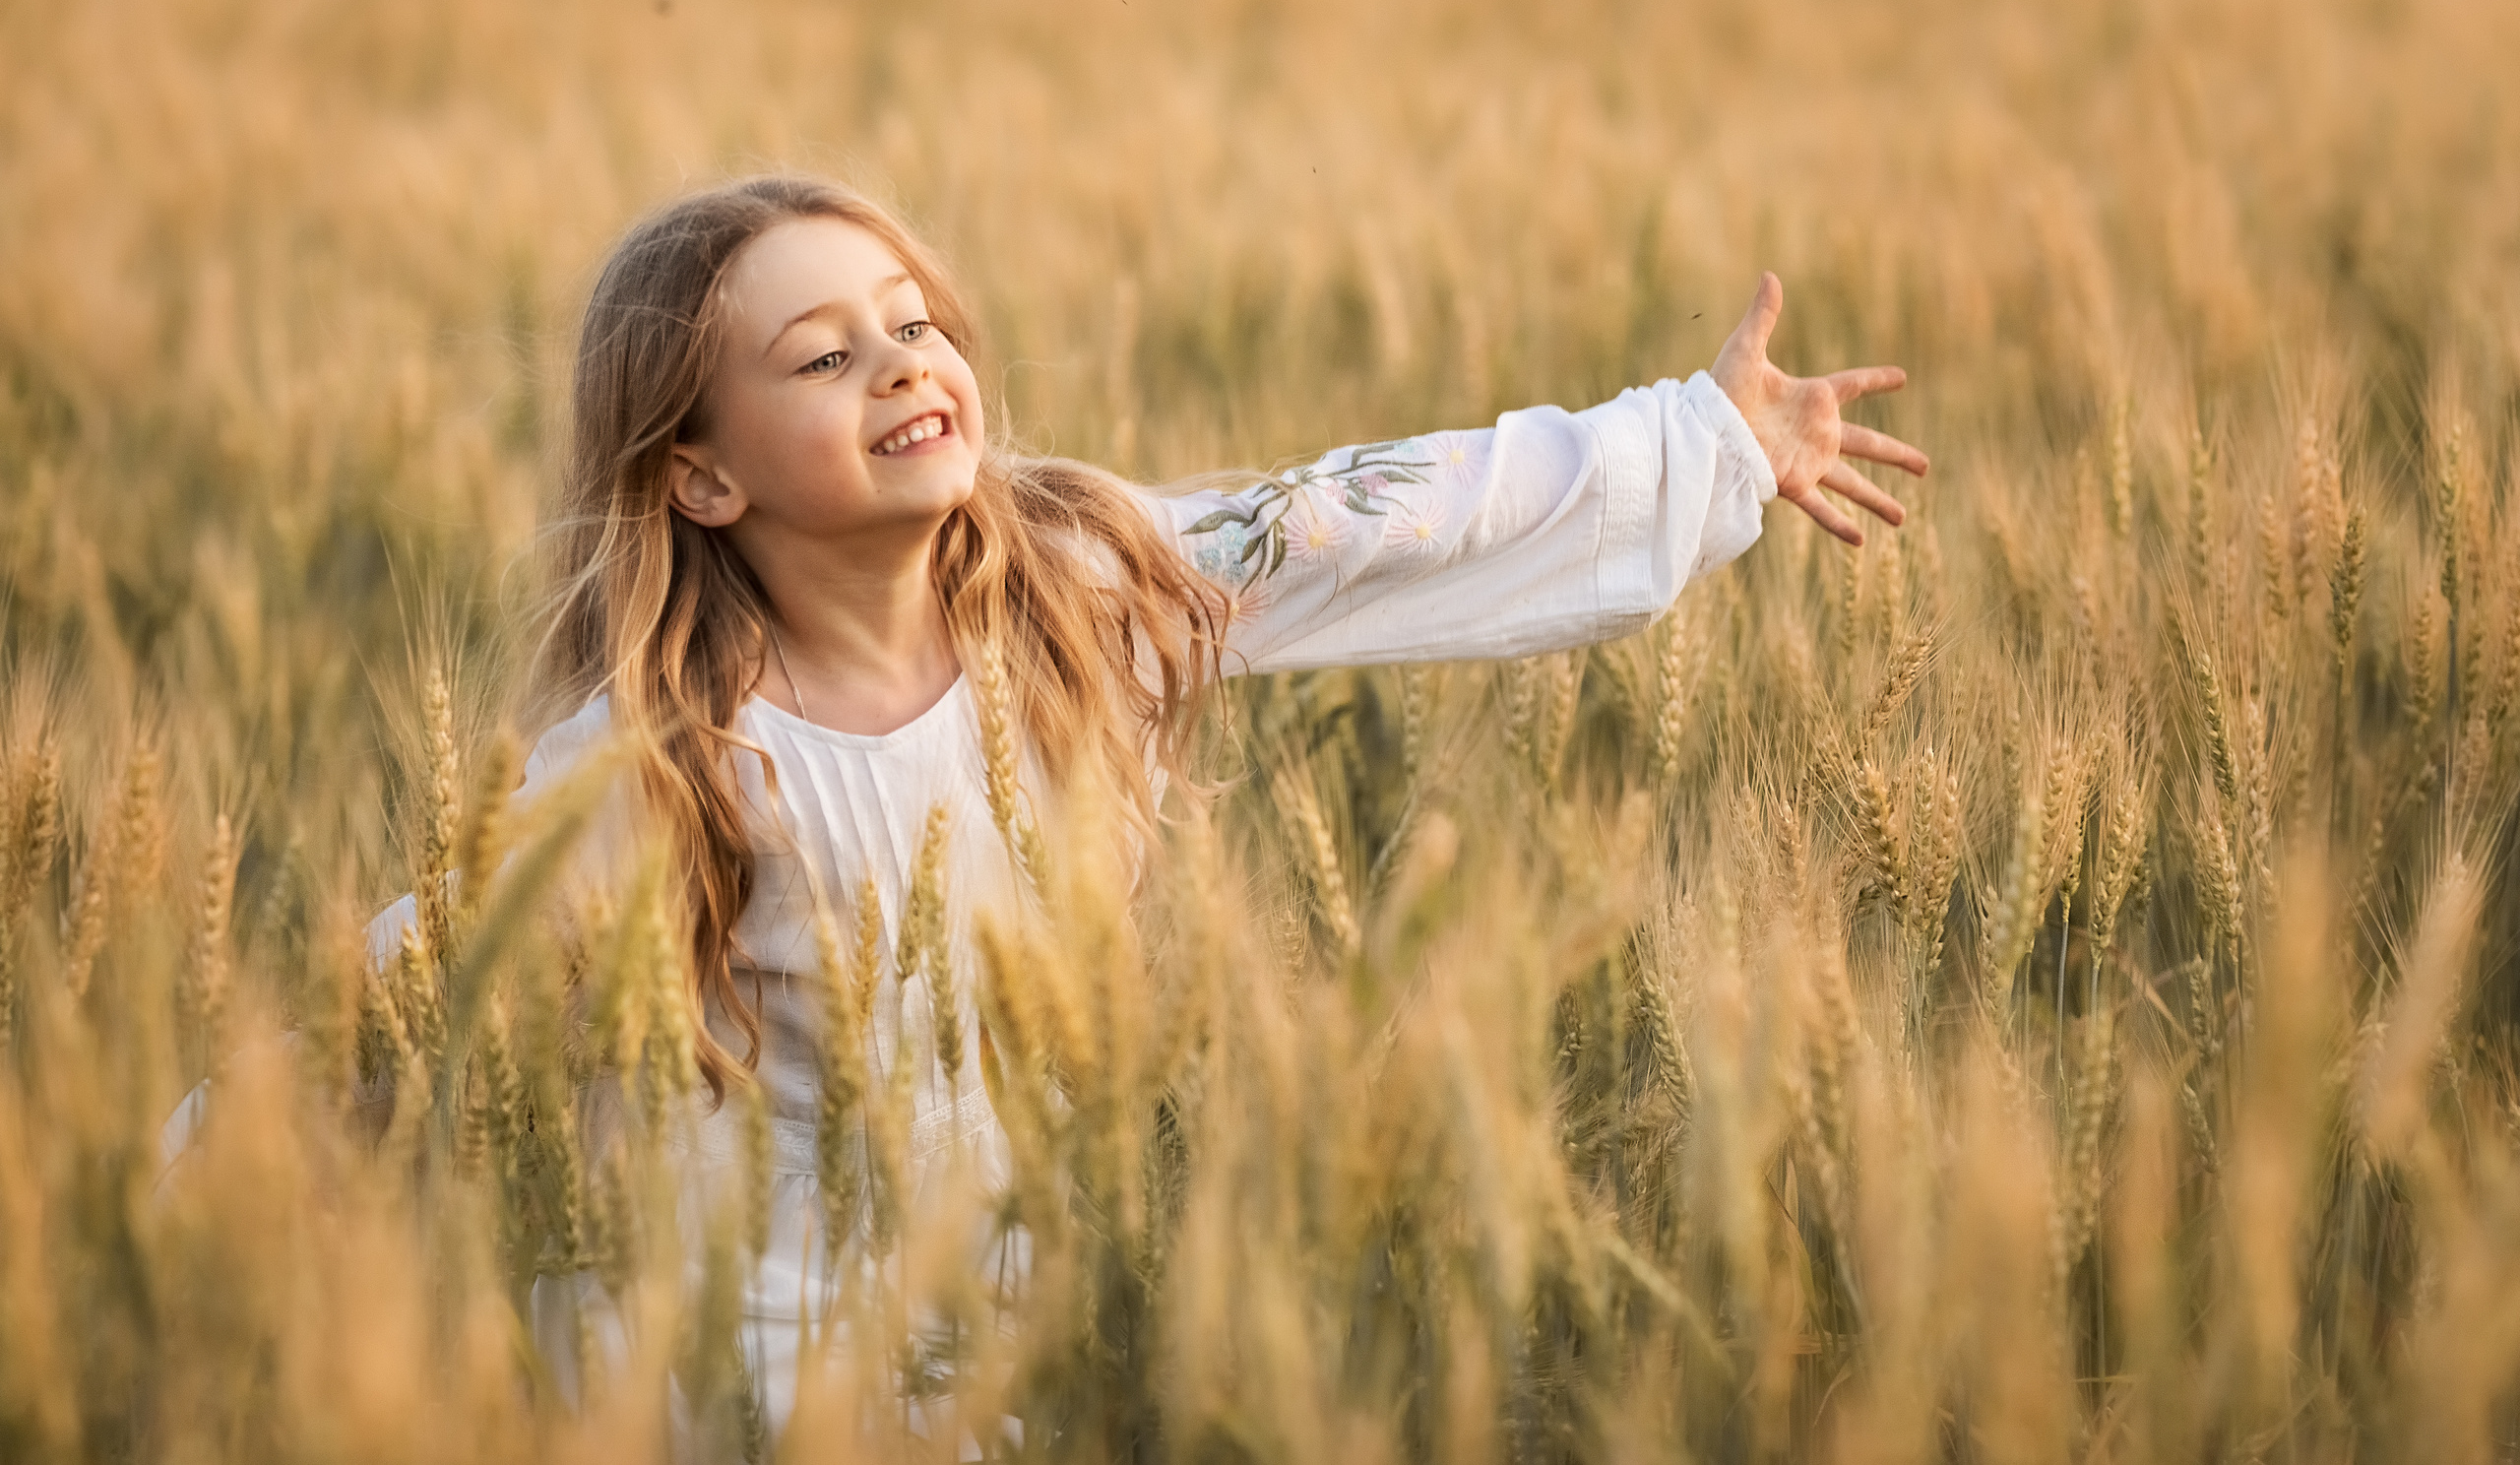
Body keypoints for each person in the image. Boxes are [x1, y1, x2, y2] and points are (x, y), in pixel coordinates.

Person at [293, 171, 1926, 1444]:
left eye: (913, 322)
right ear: (704, 478)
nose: (901, 365)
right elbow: (400, 1006)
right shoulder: (660, 763)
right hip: (754, 1375)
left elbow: (1384, 512)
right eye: (824, 355)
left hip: (1016, 1326)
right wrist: (160, 1237)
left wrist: (1703, 441)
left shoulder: (1085, 587)